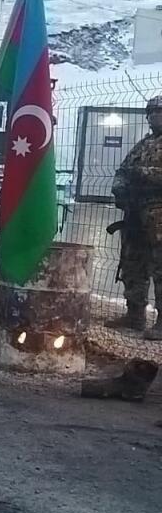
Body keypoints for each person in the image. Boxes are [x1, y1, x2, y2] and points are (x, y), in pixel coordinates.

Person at [111, 96, 162, 338]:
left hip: (158, 211)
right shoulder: (144, 144)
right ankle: (135, 314)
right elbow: (123, 170)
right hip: (135, 213)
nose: (154, 116)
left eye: (159, 112)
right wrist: (119, 187)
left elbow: (137, 172)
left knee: (160, 267)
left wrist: (143, 173)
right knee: (133, 262)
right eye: (151, 112)